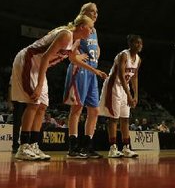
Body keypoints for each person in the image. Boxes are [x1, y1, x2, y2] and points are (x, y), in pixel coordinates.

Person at [10, 15, 106, 162]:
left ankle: (34, 145)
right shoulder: (66, 35)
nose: (92, 31)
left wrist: (95, 71)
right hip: (29, 61)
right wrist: (39, 85)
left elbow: (73, 60)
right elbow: (45, 58)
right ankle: (23, 146)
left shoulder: (76, 40)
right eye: (90, 27)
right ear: (81, 27)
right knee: (34, 103)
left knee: (42, 106)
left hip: (40, 67)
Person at [64, 2, 104, 159]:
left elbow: (97, 47)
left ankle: (87, 146)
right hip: (80, 71)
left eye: (96, 11)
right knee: (77, 109)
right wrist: (74, 56)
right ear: (84, 12)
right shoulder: (78, 27)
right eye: (92, 11)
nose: (95, 14)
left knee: (94, 110)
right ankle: (72, 146)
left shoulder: (93, 30)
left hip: (91, 72)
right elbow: (69, 50)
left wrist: (96, 57)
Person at [99, 34, 142, 159]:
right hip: (113, 86)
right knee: (113, 118)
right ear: (130, 44)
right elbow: (122, 76)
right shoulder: (124, 55)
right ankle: (112, 148)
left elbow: (135, 77)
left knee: (125, 118)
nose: (139, 45)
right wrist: (129, 95)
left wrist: (136, 95)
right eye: (136, 43)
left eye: (140, 43)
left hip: (125, 88)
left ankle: (126, 148)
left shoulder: (138, 59)